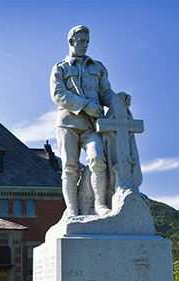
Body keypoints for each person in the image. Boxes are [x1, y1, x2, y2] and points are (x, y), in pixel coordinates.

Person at [51, 25, 130, 216]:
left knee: (98, 159)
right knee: (70, 166)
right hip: (68, 123)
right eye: (81, 41)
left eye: (87, 41)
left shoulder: (98, 67)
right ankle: (72, 209)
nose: (85, 45)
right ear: (71, 42)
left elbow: (105, 93)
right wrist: (85, 104)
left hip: (93, 125)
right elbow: (58, 94)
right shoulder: (60, 68)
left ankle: (100, 204)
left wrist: (119, 99)